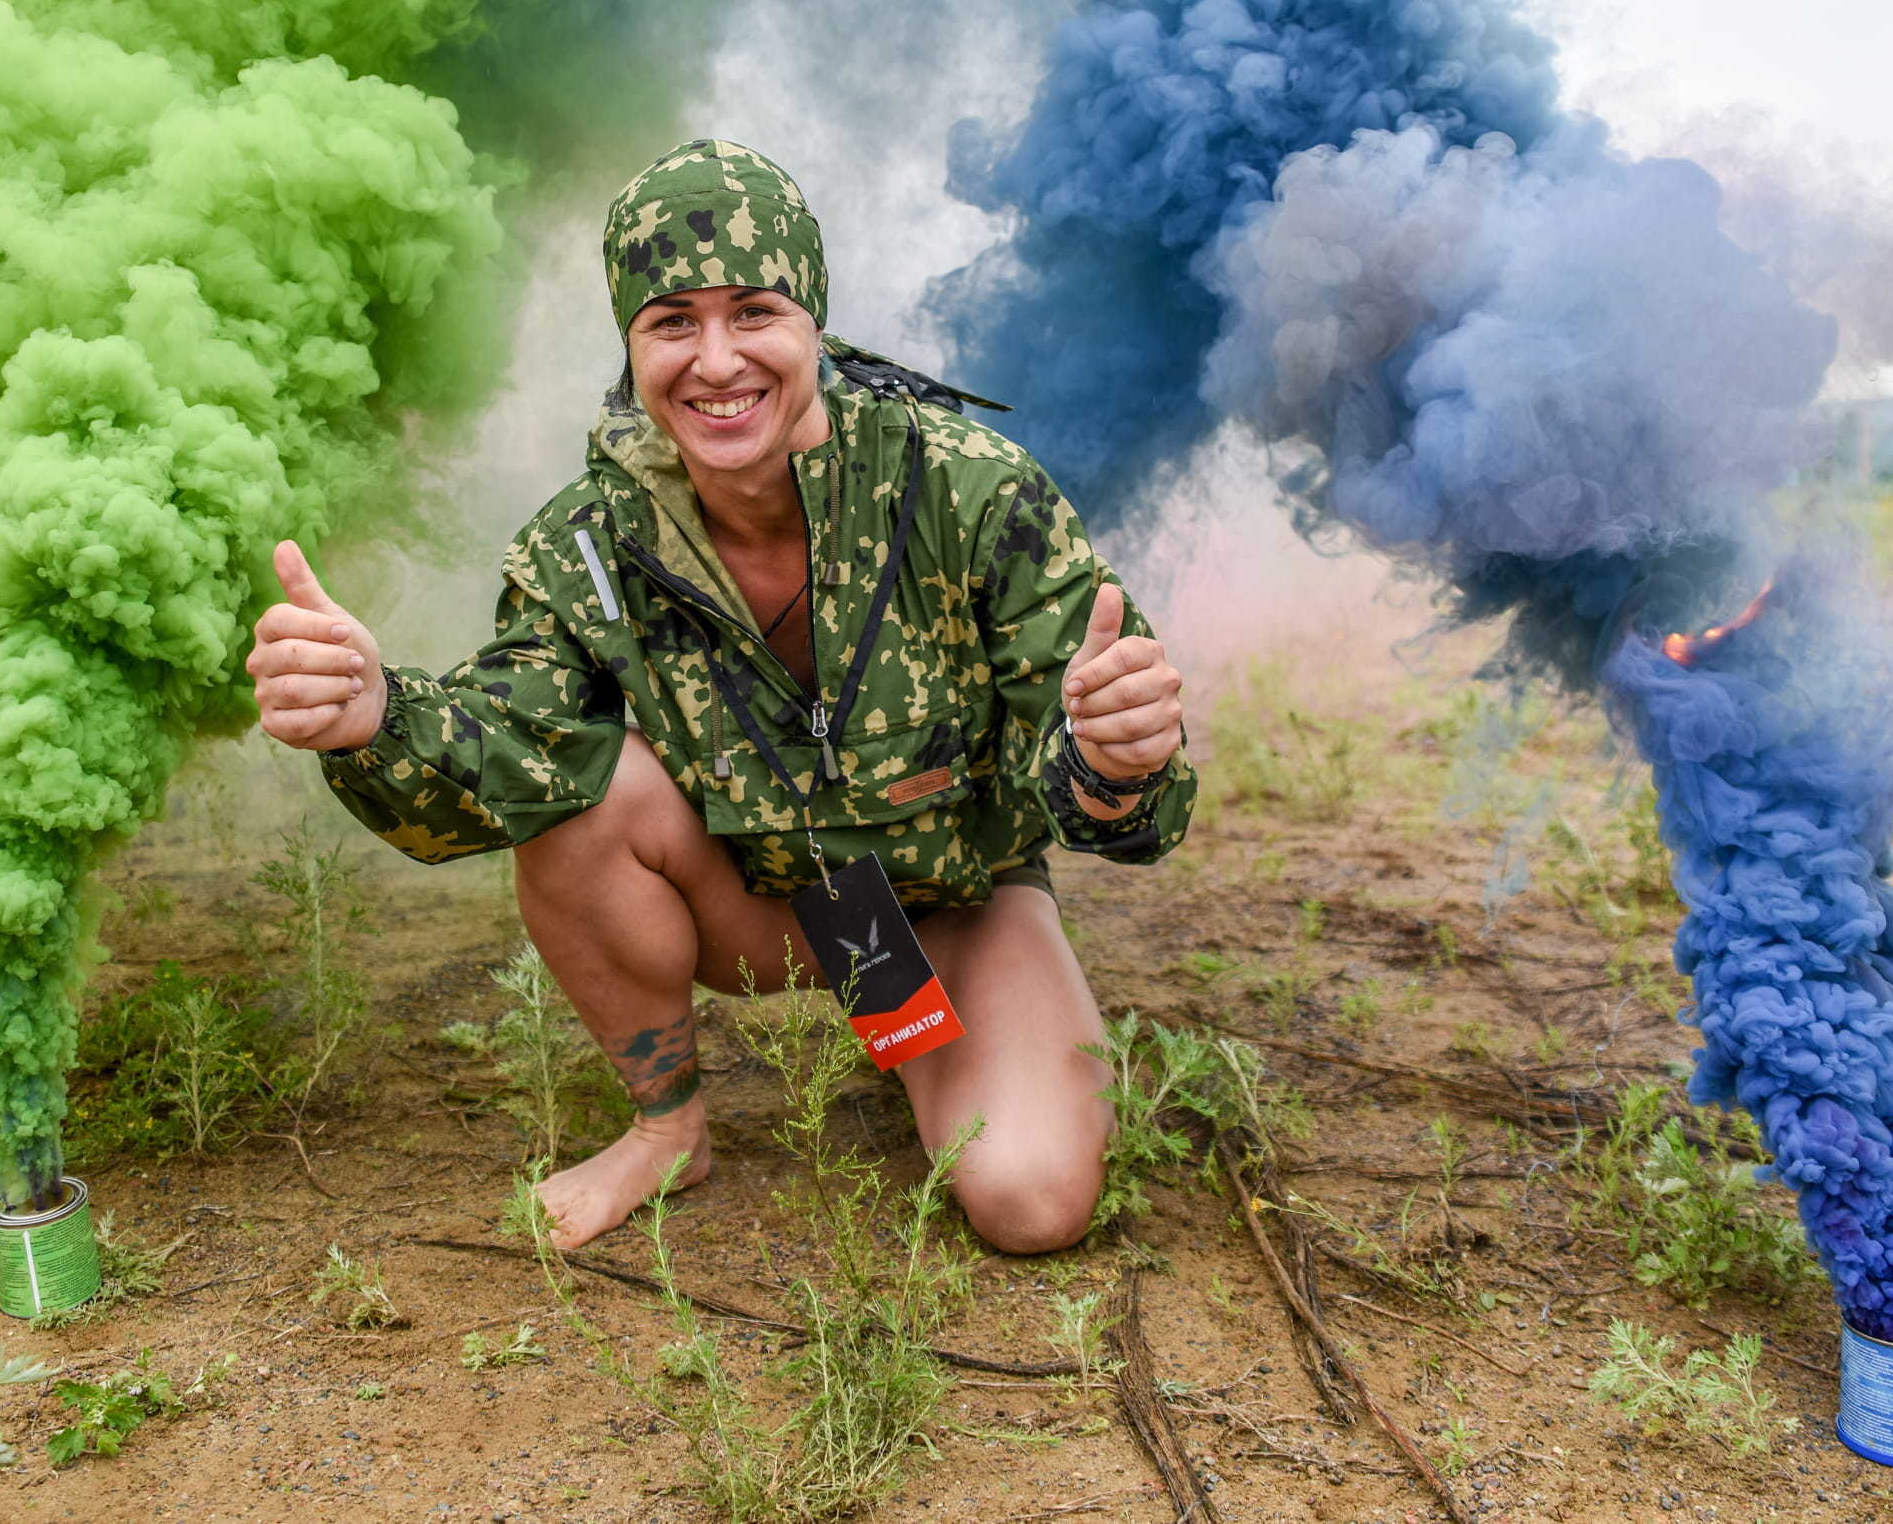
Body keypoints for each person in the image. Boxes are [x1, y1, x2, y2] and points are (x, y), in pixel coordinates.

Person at [247, 140, 1196, 1252]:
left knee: (1028, 1200)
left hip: (957, 902)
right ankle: (668, 1131)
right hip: (764, 900)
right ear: (632, 346)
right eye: (669, 322)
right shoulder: (589, 545)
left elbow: (1107, 783)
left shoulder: (968, 487)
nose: (714, 360)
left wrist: (1114, 759)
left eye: (753, 310)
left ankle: (933, 1033)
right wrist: (375, 716)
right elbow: (511, 753)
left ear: (811, 322)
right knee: (583, 802)